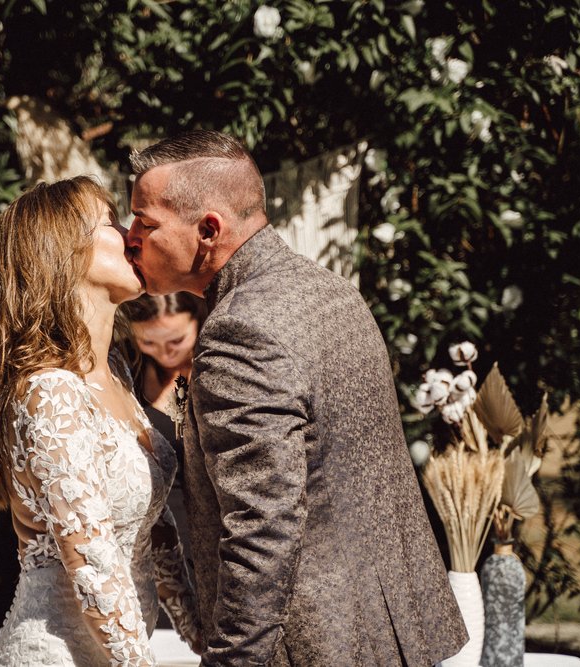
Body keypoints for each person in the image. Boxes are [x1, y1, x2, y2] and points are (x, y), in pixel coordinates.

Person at [125, 130, 469, 666]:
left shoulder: (238, 328)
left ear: (208, 229)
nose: (131, 238)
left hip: (317, 647)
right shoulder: (330, 291)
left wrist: (233, 662)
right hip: (398, 633)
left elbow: (263, 527)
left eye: (145, 224)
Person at [0, 176, 201, 667]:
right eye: (111, 222)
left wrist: (206, 636)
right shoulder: (50, 392)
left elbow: (153, 527)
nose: (132, 234)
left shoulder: (116, 371)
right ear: (63, 253)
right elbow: (91, 562)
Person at [121, 292, 207, 568]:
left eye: (177, 340)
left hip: (206, 528)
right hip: (149, 530)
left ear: (198, 320)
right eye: (148, 342)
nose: (165, 352)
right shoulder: (128, 371)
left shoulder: (216, 369)